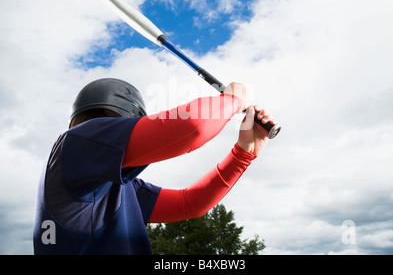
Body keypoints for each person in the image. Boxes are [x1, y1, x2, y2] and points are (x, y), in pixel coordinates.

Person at [33, 78, 276, 255]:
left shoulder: (118, 187)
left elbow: (189, 204)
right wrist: (233, 100)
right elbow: (192, 126)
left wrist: (243, 154)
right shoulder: (76, 143)